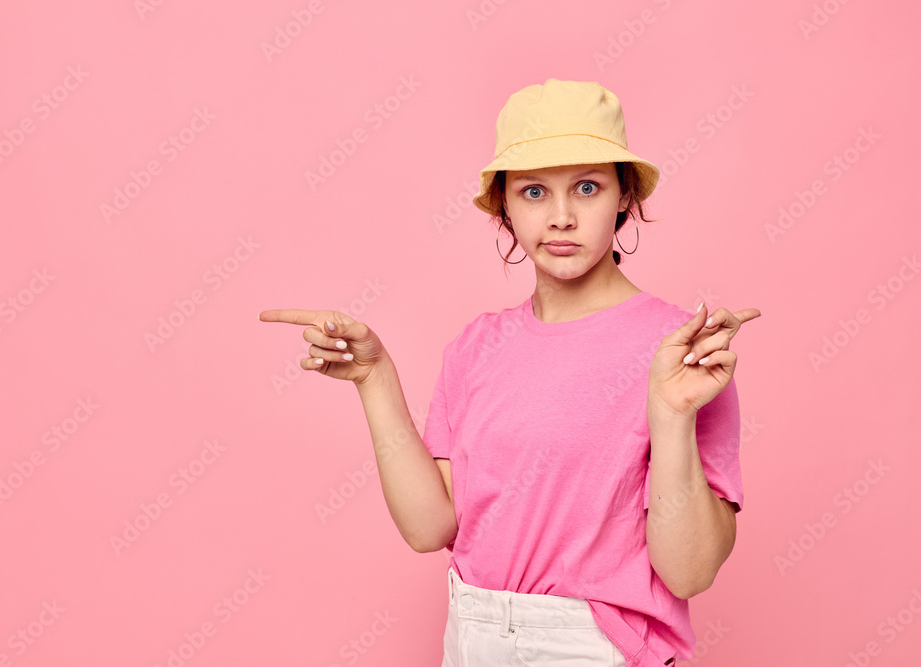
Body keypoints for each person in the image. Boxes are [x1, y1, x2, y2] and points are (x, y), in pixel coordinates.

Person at [260, 78, 761, 667]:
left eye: (587, 187)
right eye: (532, 192)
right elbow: (430, 529)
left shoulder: (681, 352)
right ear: (503, 205)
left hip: (594, 646)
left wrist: (672, 415)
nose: (562, 217)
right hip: (471, 633)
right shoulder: (475, 347)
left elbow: (690, 571)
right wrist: (375, 379)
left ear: (624, 196)